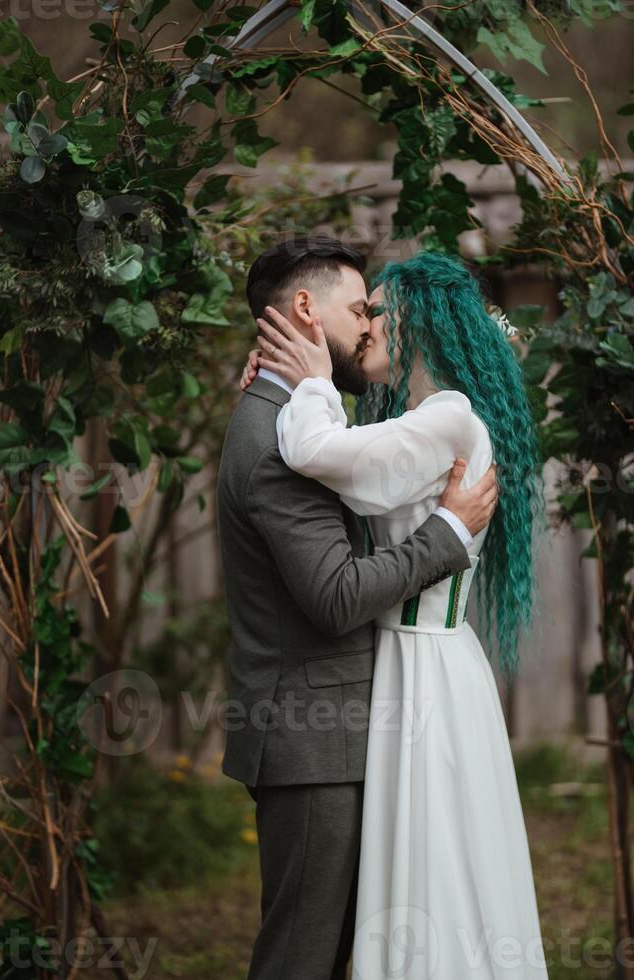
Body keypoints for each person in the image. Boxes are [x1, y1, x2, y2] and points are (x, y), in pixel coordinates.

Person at [242, 249, 548, 978]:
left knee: (433, 865)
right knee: (418, 866)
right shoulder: (424, 420)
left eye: (377, 311)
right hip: (415, 664)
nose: (366, 328)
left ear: (420, 324)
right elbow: (349, 467)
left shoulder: (446, 419)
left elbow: (315, 448)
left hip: (424, 673)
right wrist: (278, 390)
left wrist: (308, 384)